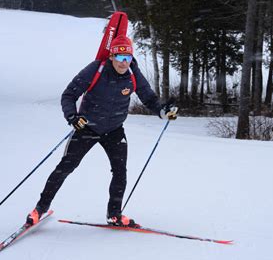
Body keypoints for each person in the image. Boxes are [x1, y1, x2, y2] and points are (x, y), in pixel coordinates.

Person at [26, 35, 177, 227]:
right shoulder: (95, 70)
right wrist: (73, 117)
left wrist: (163, 112)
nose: (124, 63)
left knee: (120, 171)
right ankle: (40, 208)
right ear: (111, 57)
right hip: (87, 127)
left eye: (128, 58)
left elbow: (149, 99)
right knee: (66, 167)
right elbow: (69, 95)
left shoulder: (133, 73)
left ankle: (114, 215)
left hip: (114, 130)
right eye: (120, 58)